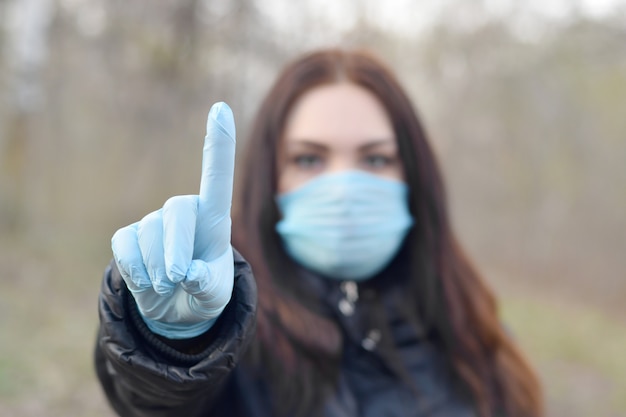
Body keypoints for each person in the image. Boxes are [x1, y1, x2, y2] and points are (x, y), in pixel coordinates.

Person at [94, 49, 543, 417]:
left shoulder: (475, 333)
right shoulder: (233, 336)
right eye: (309, 160)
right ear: (272, 180)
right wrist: (173, 343)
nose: (343, 187)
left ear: (413, 176)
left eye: (376, 159)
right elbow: (151, 404)